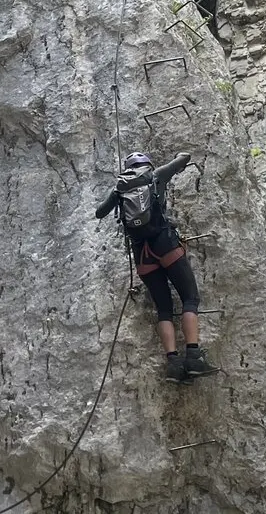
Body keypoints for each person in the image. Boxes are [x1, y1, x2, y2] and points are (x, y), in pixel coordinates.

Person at [95, 151, 220, 383]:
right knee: (190, 298)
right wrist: (176, 161)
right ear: (147, 164)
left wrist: (118, 193)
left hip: (142, 255)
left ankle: (173, 364)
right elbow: (184, 157)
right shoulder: (156, 175)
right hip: (165, 245)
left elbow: (99, 212)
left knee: (163, 309)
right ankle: (194, 357)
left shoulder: (119, 189)